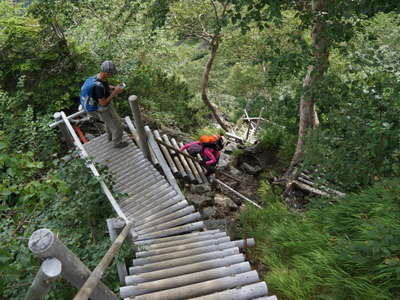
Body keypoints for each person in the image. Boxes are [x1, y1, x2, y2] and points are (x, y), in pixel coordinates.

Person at [80, 60, 128, 148]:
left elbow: (104, 85)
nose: (112, 74)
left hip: (103, 104)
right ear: (106, 72)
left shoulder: (97, 77)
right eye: (111, 73)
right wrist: (115, 92)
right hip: (101, 108)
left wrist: (114, 87)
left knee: (109, 123)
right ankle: (117, 143)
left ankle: (110, 137)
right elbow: (103, 103)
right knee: (117, 126)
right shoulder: (98, 87)